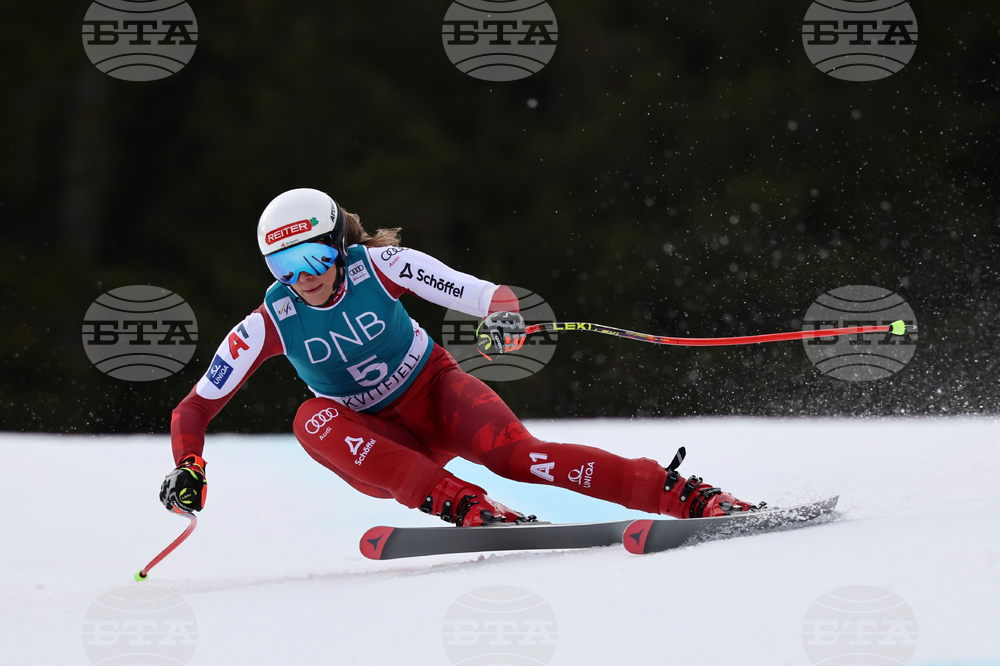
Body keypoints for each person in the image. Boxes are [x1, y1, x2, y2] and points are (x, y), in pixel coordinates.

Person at [160, 188, 757, 526]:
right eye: (283, 268)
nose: (302, 279)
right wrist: (190, 466)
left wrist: (505, 317)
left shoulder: (382, 266)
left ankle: (683, 496)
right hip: (380, 446)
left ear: (339, 247)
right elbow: (194, 408)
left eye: (313, 259)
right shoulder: (269, 322)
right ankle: (463, 503)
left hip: (436, 395)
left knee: (520, 457)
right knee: (309, 418)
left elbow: (485, 294)